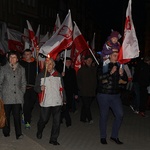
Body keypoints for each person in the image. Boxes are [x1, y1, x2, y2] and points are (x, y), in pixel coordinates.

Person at [97, 51, 127, 145]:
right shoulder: (103, 65)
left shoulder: (120, 65)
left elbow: (126, 80)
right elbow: (100, 78)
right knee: (104, 116)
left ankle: (114, 136)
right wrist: (110, 72)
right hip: (104, 94)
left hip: (115, 95)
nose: (116, 57)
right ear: (109, 56)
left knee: (120, 114)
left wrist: (122, 74)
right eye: (114, 55)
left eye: (117, 56)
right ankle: (103, 136)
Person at [34, 58, 66, 145]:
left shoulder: (58, 75)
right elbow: (36, 88)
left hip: (57, 101)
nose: (48, 66)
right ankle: (39, 130)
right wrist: (40, 88)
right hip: (46, 101)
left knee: (57, 121)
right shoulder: (41, 75)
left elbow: (62, 88)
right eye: (47, 64)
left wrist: (64, 99)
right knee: (44, 119)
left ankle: (53, 139)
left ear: (53, 65)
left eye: (50, 64)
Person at [0, 51, 26, 139]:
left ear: (17, 59)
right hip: (6, 96)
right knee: (6, 115)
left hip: (17, 97)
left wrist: (22, 92)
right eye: (11, 57)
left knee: (16, 116)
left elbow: (23, 82)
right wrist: (1, 95)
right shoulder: (3, 68)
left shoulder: (22, 69)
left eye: (14, 57)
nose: (12, 59)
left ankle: (18, 134)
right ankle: (6, 131)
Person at [20, 49, 38, 129]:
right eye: (26, 54)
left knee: (32, 103)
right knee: (26, 104)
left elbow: (39, 73)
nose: (27, 56)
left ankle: (25, 113)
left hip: (33, 87)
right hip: (24, 87)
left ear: (31, 55)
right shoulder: (21, 63)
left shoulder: (35, 63)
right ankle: (27, 121)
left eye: (29, 54)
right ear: (24, 55)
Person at [77, 55, 97, 124]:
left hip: (92, 91)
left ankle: (82, 118)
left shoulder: (94, 69)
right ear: (85, 61)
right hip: (84, 91)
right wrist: (80, 89)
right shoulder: (81, 70)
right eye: (88, 60)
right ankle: (90, 118)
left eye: (90, 60)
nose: (89, 61)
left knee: (86, 105)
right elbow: (78, 81)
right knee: (87, 105)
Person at [61, 57, 78, 127]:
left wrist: (76, 93)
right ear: (63, 63)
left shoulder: (73, 71)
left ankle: (60, 118)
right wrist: (62, 76)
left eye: (69, 61)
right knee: (64, 106)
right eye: (66, 61)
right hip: (63, 92)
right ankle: (68, 121)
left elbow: (75, 82)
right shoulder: (61, 70)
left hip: (70, 92)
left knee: (67, 106)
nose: (68, 63)